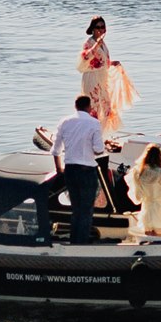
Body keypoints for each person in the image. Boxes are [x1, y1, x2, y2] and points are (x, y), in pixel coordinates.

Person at [38, 94, 108, 245]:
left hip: (70, 170)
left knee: (76, 209)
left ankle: (74, 241)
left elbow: (56, 150)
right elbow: (98, 150)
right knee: (86, 210)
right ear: (89, 107)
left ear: (75, 106)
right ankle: (80, 244)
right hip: (87, 171)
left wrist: (58, 169)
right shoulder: (94, 123)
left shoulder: (65, 122)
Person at [77, 17, 137, 136]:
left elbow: (100, 62)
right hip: (92, 79)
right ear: (93, 29)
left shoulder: (103, 43)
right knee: (94, 108)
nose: (100, 30)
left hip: (102, 78)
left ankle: (99, 136)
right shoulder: (89, 43)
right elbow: (85, 58)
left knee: (106, 108)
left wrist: (111, 63)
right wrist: (96, 45)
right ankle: (90, 136)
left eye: (103, 27)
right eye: (98, 27)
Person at [128, 142, 161, 237]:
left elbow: (137, 196)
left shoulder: (138, 172)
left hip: (147, 208)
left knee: (149, 240)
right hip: (160, 208)